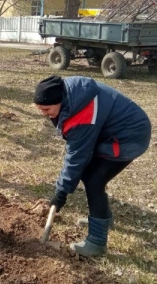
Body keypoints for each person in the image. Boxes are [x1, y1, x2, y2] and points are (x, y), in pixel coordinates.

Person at [34, 75, 151, 257]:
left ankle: (96, 242)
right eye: (40, 109)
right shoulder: (68, 92)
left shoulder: (83, 112)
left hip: (130, 136)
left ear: (59, 101)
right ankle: (104, 219)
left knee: (94, 179)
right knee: (91, 175)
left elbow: (77, 156)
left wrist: (61, 193)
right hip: (113, 133)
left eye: (47, 109)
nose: (44, 113)